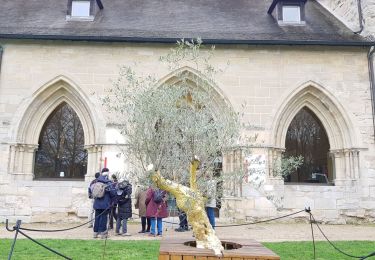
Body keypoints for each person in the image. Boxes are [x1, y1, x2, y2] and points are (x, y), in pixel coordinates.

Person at [92, 170, 116, 239]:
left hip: (97, 204)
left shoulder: (96, 182)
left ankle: (95, 233)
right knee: (104, 218)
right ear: (107, 176)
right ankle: (103, 234)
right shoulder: (108, 183)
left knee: (97, 218)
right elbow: (113, 193)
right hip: (105, 204)